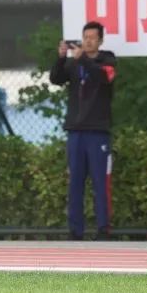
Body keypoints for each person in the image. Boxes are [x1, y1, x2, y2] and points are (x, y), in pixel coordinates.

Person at [50, 21, 117, 241]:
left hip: (97, 131)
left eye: (92, 37)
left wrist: (84, 59)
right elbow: (56, 78)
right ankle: (75, 230)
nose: (88, 41)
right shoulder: (75, 63)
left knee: (100, 182)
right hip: (76, 131)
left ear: (100, 40)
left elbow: (103, 77)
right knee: (75, 182)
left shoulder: (107, 59)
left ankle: (103, 229)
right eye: (85, 37)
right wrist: (61, 58)